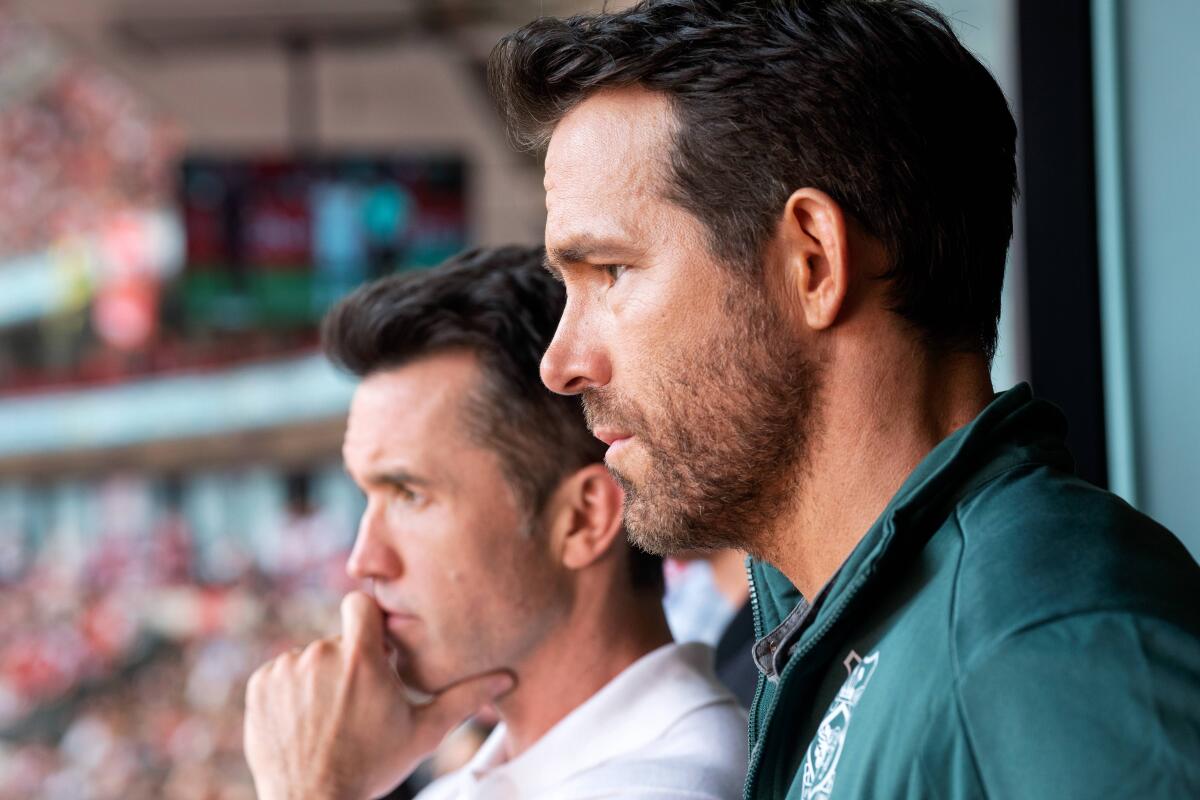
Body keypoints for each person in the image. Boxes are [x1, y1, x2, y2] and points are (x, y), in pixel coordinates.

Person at [488, 1, 1200, 798]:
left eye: (611, 272)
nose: (561, 363)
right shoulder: (855, 625)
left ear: (814, 262)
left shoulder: (1041, 640)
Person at [242, 246, 748, 799]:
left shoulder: (672, 786)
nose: (364, 559)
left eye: (409, 494)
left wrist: (309, 789)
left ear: (582, 519)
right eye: (368, 497)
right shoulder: (488, 777)